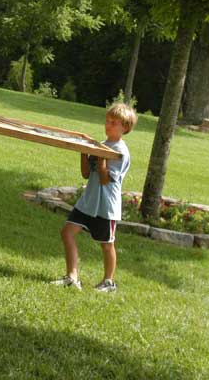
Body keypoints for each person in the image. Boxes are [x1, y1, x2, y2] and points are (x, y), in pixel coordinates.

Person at [50, 102, 137, 292]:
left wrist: (101, 156)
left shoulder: (121, 152)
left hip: (105, 206)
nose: (108, 125)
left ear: (125, 127)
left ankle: (108, 282)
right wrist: (84, 151)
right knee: (67, 233)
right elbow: (86, 174)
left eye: (113, 122)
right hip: (88, 202)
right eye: (107, 121)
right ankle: (72, 277)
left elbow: (105, 180)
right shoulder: (102, 146)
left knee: (107, 245)